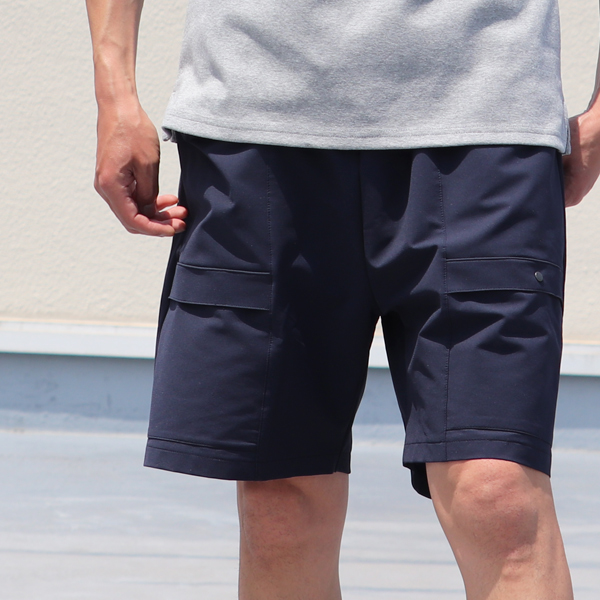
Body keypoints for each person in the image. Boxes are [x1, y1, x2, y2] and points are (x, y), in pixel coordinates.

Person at [86, 1, 600, 598]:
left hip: (487, 120)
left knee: (499, 496)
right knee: (281, 506)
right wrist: (115, 95)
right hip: (255, 121)